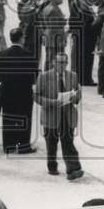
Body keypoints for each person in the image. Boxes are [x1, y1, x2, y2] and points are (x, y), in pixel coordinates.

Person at [34, 51, 83, 180]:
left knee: (68, 143)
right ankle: (52, 166)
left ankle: (73, 169)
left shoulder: (73, 76)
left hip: (67, 114)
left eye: (65, 62)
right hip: (51, 115)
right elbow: (36, 96)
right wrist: (51, 102)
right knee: (51, 143)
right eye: (59, 62)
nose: (62, 65)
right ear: (53, 63)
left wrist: (75, 98)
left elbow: (78, 93)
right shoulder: (44, 77)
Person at [0, 27, 39, 154]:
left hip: (7, 91)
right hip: (24, 92)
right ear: (21, 38)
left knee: (8, 118)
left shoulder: (1, 55)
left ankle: (9, 146)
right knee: (25, 118)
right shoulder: (29, 55)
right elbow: (34, 76)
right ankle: (23, 146)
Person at [38, 0, 67, 69]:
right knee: (54, 61)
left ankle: (48, 75)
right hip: (55, 39)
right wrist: (63, 22)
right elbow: (54, 27)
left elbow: (43, 24)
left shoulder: (48, 8)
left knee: (49, 59)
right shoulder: (54, 10)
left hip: (50, 37)